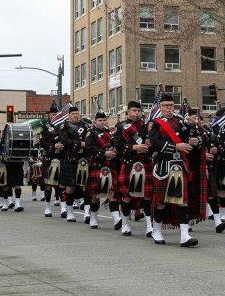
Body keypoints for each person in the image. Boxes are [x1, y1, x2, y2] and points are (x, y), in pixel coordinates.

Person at [148, 94, 204, 247]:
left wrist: (194, 141)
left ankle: (185, 235)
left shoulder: (181, 122)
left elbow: (191, 141)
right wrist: (175, 146)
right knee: (161, 202)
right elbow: (155, 144)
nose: (169, 108)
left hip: (180, 165)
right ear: (160, 107)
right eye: (166, 105)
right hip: (163, 166)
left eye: (171, 105)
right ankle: (157, 231)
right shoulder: (155, 123)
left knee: (183, 201)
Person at [113, 100, 153, 238]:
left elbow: (153, 144)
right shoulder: (120, 127)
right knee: (127, 196)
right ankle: (125, 224)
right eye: (134, 111)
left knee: (147, 195)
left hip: (145, 162)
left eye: (138, 111)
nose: (136, 113)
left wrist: (149, 143)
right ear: (128, 112)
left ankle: (149, 226)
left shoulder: (146, 126)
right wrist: (134, 147)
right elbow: (118, 146)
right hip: (129, 163)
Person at [82, 111, 117, 229]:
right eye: (100, 121)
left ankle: (116, 218)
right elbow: (89, 148)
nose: (102, 122)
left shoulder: (110, 133)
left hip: (110, 165)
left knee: (112, 192)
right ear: (95, 122)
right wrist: (104, 153)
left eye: (104, 120)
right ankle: (93, 216)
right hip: (97, 165)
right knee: (96, 195)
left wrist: (113, 152)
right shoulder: (91, 133)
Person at [57, 106, 87, 222]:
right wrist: (81, 144)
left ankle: (87, 213)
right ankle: (69, 212)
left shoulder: (85, 126)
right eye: (73, 113)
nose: (76, 115)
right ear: (69, 115)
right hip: (71, 158)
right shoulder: (64, 126)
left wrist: (85, 144)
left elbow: (90, 140)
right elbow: (65, 142)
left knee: (85, 186)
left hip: (83, 159)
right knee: (70, 187)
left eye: (77, 113)